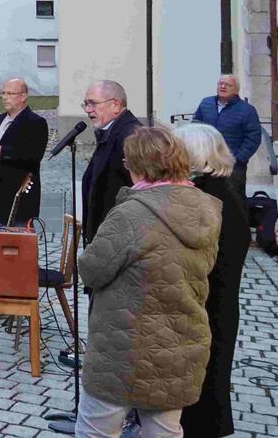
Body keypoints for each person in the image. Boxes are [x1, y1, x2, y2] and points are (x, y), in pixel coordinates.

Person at [76, 126, 221, 437]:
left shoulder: (132, 213)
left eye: (128, 163)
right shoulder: (205, 209)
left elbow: (91, 270)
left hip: (123, 349)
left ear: (141, 166)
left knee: (96, 431)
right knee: (164, 431)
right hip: (180, 342)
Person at [174, 124, 250, 438]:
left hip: (207, 305)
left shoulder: (207, 197)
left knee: (203, 388)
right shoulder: (223, 189)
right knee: (209, 383)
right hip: (218, 303)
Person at [0, 78, 49, 225]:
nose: (5, 97)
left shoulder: (35, 122)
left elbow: (33, 155)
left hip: (18, 199)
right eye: (3, 93)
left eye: (10, 93)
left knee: (17, 239)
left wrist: (1, 151)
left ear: (23, 96)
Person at [80, 80, 141, 245]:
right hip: (106, 232)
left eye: (93, 103)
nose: (88, 110)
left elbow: (141, 188)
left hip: (119, 235)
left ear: (116, 105)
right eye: (85, 104)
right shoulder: (112, 131)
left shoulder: (131, 137)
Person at [191, 74, 261, 199]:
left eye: (227, 85)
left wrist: (238, 159)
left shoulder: (247, 110)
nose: (223, 87)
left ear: (236, 89)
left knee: (232, 200)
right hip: (206, 162)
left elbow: (253, 137)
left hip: (232, 166)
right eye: (220, 83)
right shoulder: (206, 103)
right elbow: (195, 127)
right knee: (205, 199)